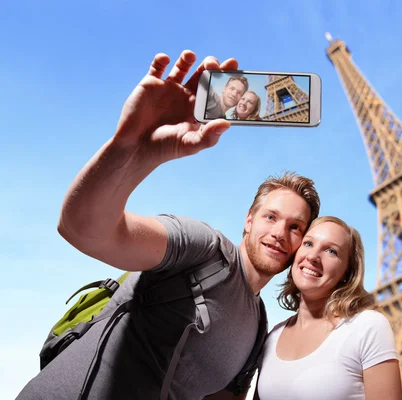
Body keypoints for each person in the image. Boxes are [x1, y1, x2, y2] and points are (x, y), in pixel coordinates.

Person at [16, 50, 320, 400]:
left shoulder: (258, 327)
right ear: (248, 221)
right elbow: (83, 228)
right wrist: (133, 150)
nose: (281, 232)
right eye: (271, 217)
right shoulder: (203, 249)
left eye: (296, 228)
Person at [255, 216, 402, 400]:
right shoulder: (273, 337)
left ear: (347, 272)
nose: (313, 257)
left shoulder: (367, 327)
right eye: (308, 244)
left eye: (331, 251)